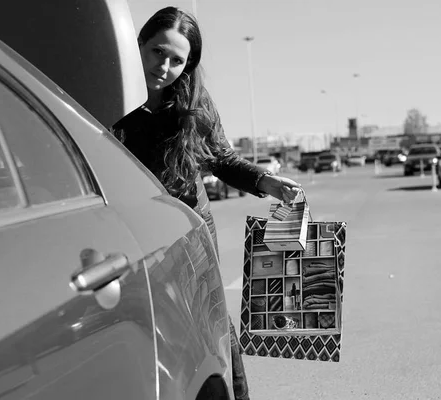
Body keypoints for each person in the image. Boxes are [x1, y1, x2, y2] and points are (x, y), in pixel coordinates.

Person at [112, 7, 302, 400]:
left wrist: (264, 179)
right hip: (132, 230)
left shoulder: (192, 101)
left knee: (210, 323)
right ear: (139, 46)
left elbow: (221, 159)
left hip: (189, 228)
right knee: (146, 325)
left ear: (188, 65)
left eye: (176, 60)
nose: (164, 67)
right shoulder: (109, 95)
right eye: (157, 52)